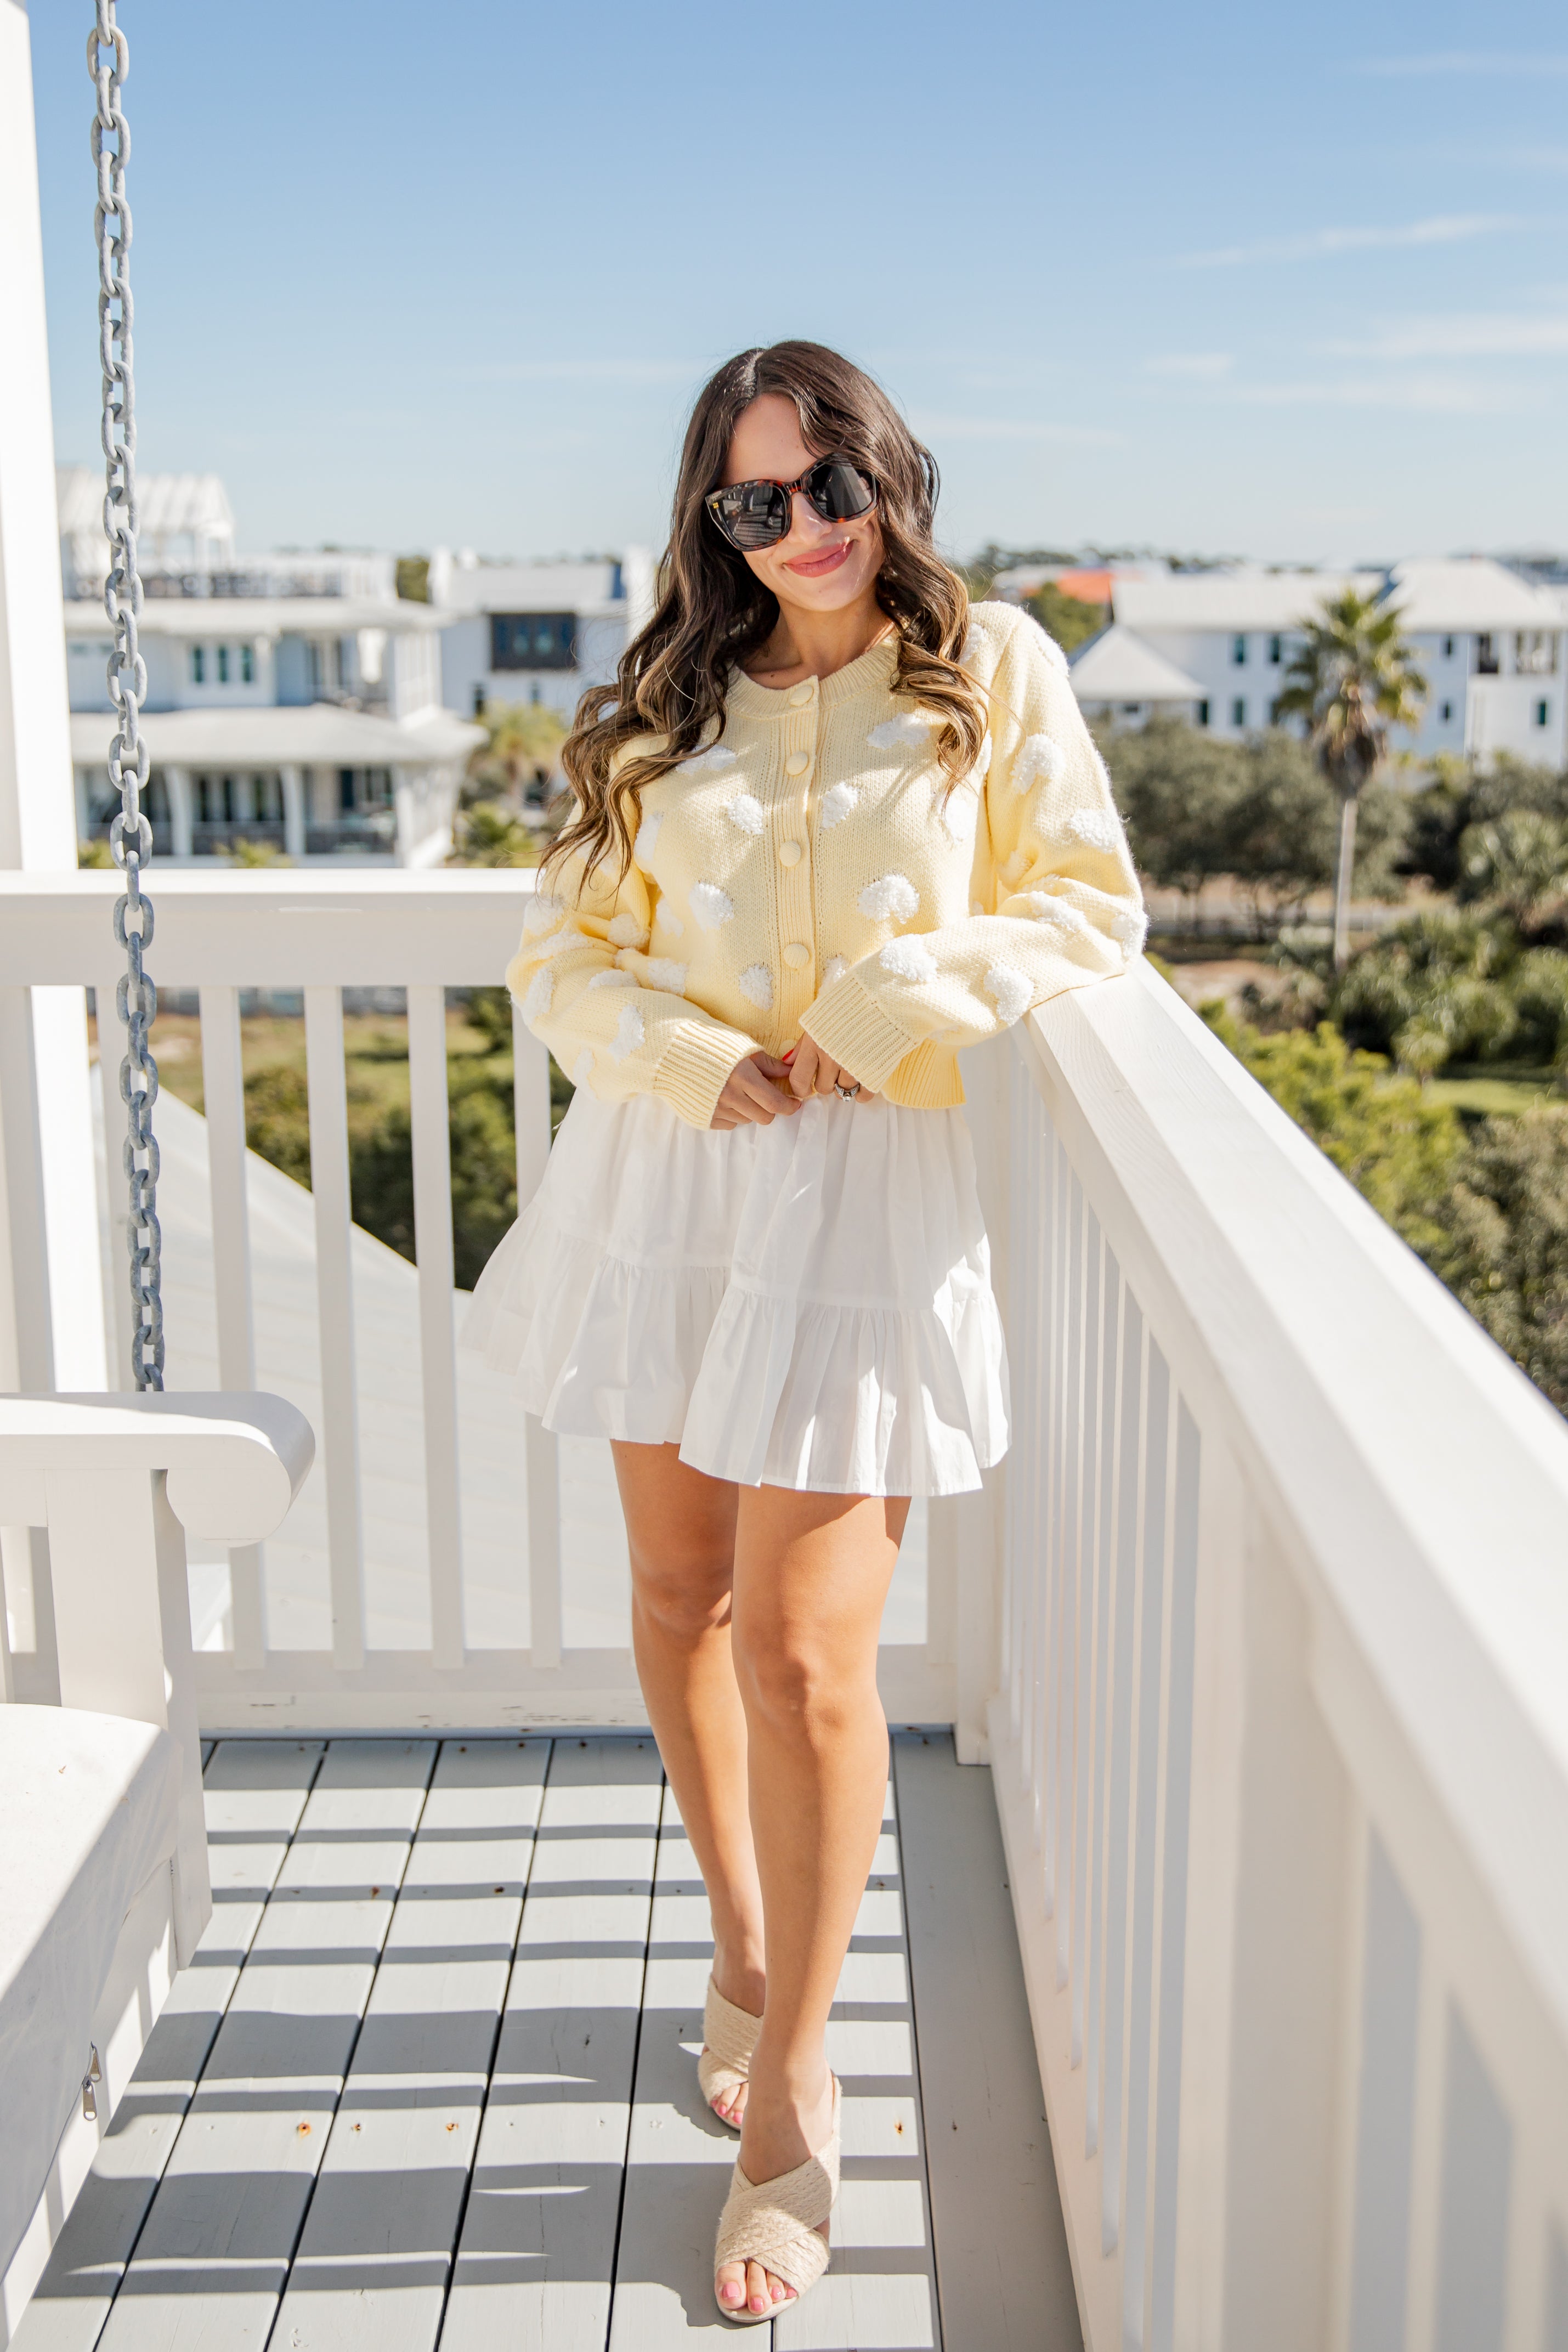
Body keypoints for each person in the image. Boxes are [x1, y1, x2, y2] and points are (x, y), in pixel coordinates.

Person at [464, 340, 1144, 2322]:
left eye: (830, 486)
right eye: (754, 505)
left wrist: (877, 1013)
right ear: (710, 519)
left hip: (862, 1196)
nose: (804, 533)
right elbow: (558, 957)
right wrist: (684, 1048)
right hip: (673, 1183)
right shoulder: (660, 713)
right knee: (678, 1602)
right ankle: (745, 1950)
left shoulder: (991, 665)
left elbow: (1085, 909)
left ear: (892, 473)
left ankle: (789, 2103)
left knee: (804, 1651)